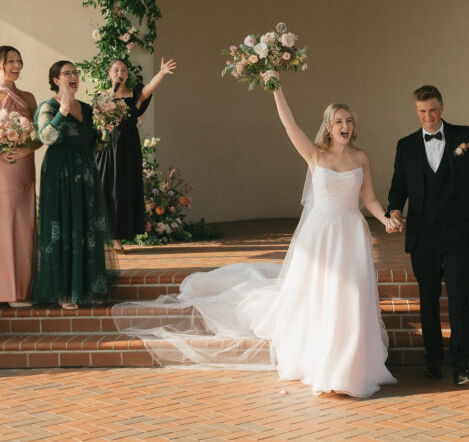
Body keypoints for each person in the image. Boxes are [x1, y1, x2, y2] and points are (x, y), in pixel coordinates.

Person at [114, 77, 396, 399]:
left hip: (351, 235)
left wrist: (385, 218)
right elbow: (290, 128)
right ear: (329, 127)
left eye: (348, 121)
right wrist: (276, 89)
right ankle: (323, 364)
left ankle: (352, 365)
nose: (345, 125)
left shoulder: (362, 158)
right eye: (338, 121)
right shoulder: (316, 156)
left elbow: (370, 198)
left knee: (351, 296)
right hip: (321, 236)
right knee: (322, 296)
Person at [387, 84, 469, 386]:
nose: (428, 116)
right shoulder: (406, 145)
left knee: (458, 299)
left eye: (433, 110)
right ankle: (433, 360)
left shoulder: (462, 135)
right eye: (422, 111)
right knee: (428, 300)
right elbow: (398, 187)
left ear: (442, 108)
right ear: (417, 112)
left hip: (457, 233)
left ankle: (462, 364)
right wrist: (395, 210)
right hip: (422, 234)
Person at [32, 61, 115, 309]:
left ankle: (87, 288)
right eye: (67, 73)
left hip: (86, 173)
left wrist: (106, 132)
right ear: (56, 80)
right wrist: (63, 111)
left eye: (75, 73)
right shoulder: (48, 106)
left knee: (87, 226)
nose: (73, 77)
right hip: (59, 175)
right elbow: (45, 136)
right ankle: (64, 292)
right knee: (64, 226)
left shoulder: (88, 109)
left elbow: (96, 145)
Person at [95, 56, 176, 251]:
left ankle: (119, 237)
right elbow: (97, 121)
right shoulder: (101, 95)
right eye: (116, 70)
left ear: (127, 73)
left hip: (128, 148)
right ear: (109, 74)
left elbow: (149, 87)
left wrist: (162, 72)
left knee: (123, 190)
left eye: (123, 70)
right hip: (107, 148)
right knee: (107, 189)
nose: (120, 74)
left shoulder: (135, 95)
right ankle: (106, 237)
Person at [0, 46, 40, 306]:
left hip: (25, 166)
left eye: (19, 60)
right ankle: (8, 291)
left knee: (25, 223)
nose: (16, 65)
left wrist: (28, 146)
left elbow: (41, 136)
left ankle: (21, 291)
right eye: (10, 60)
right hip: (3, 167)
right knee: (5, 222)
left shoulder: (28, 96)